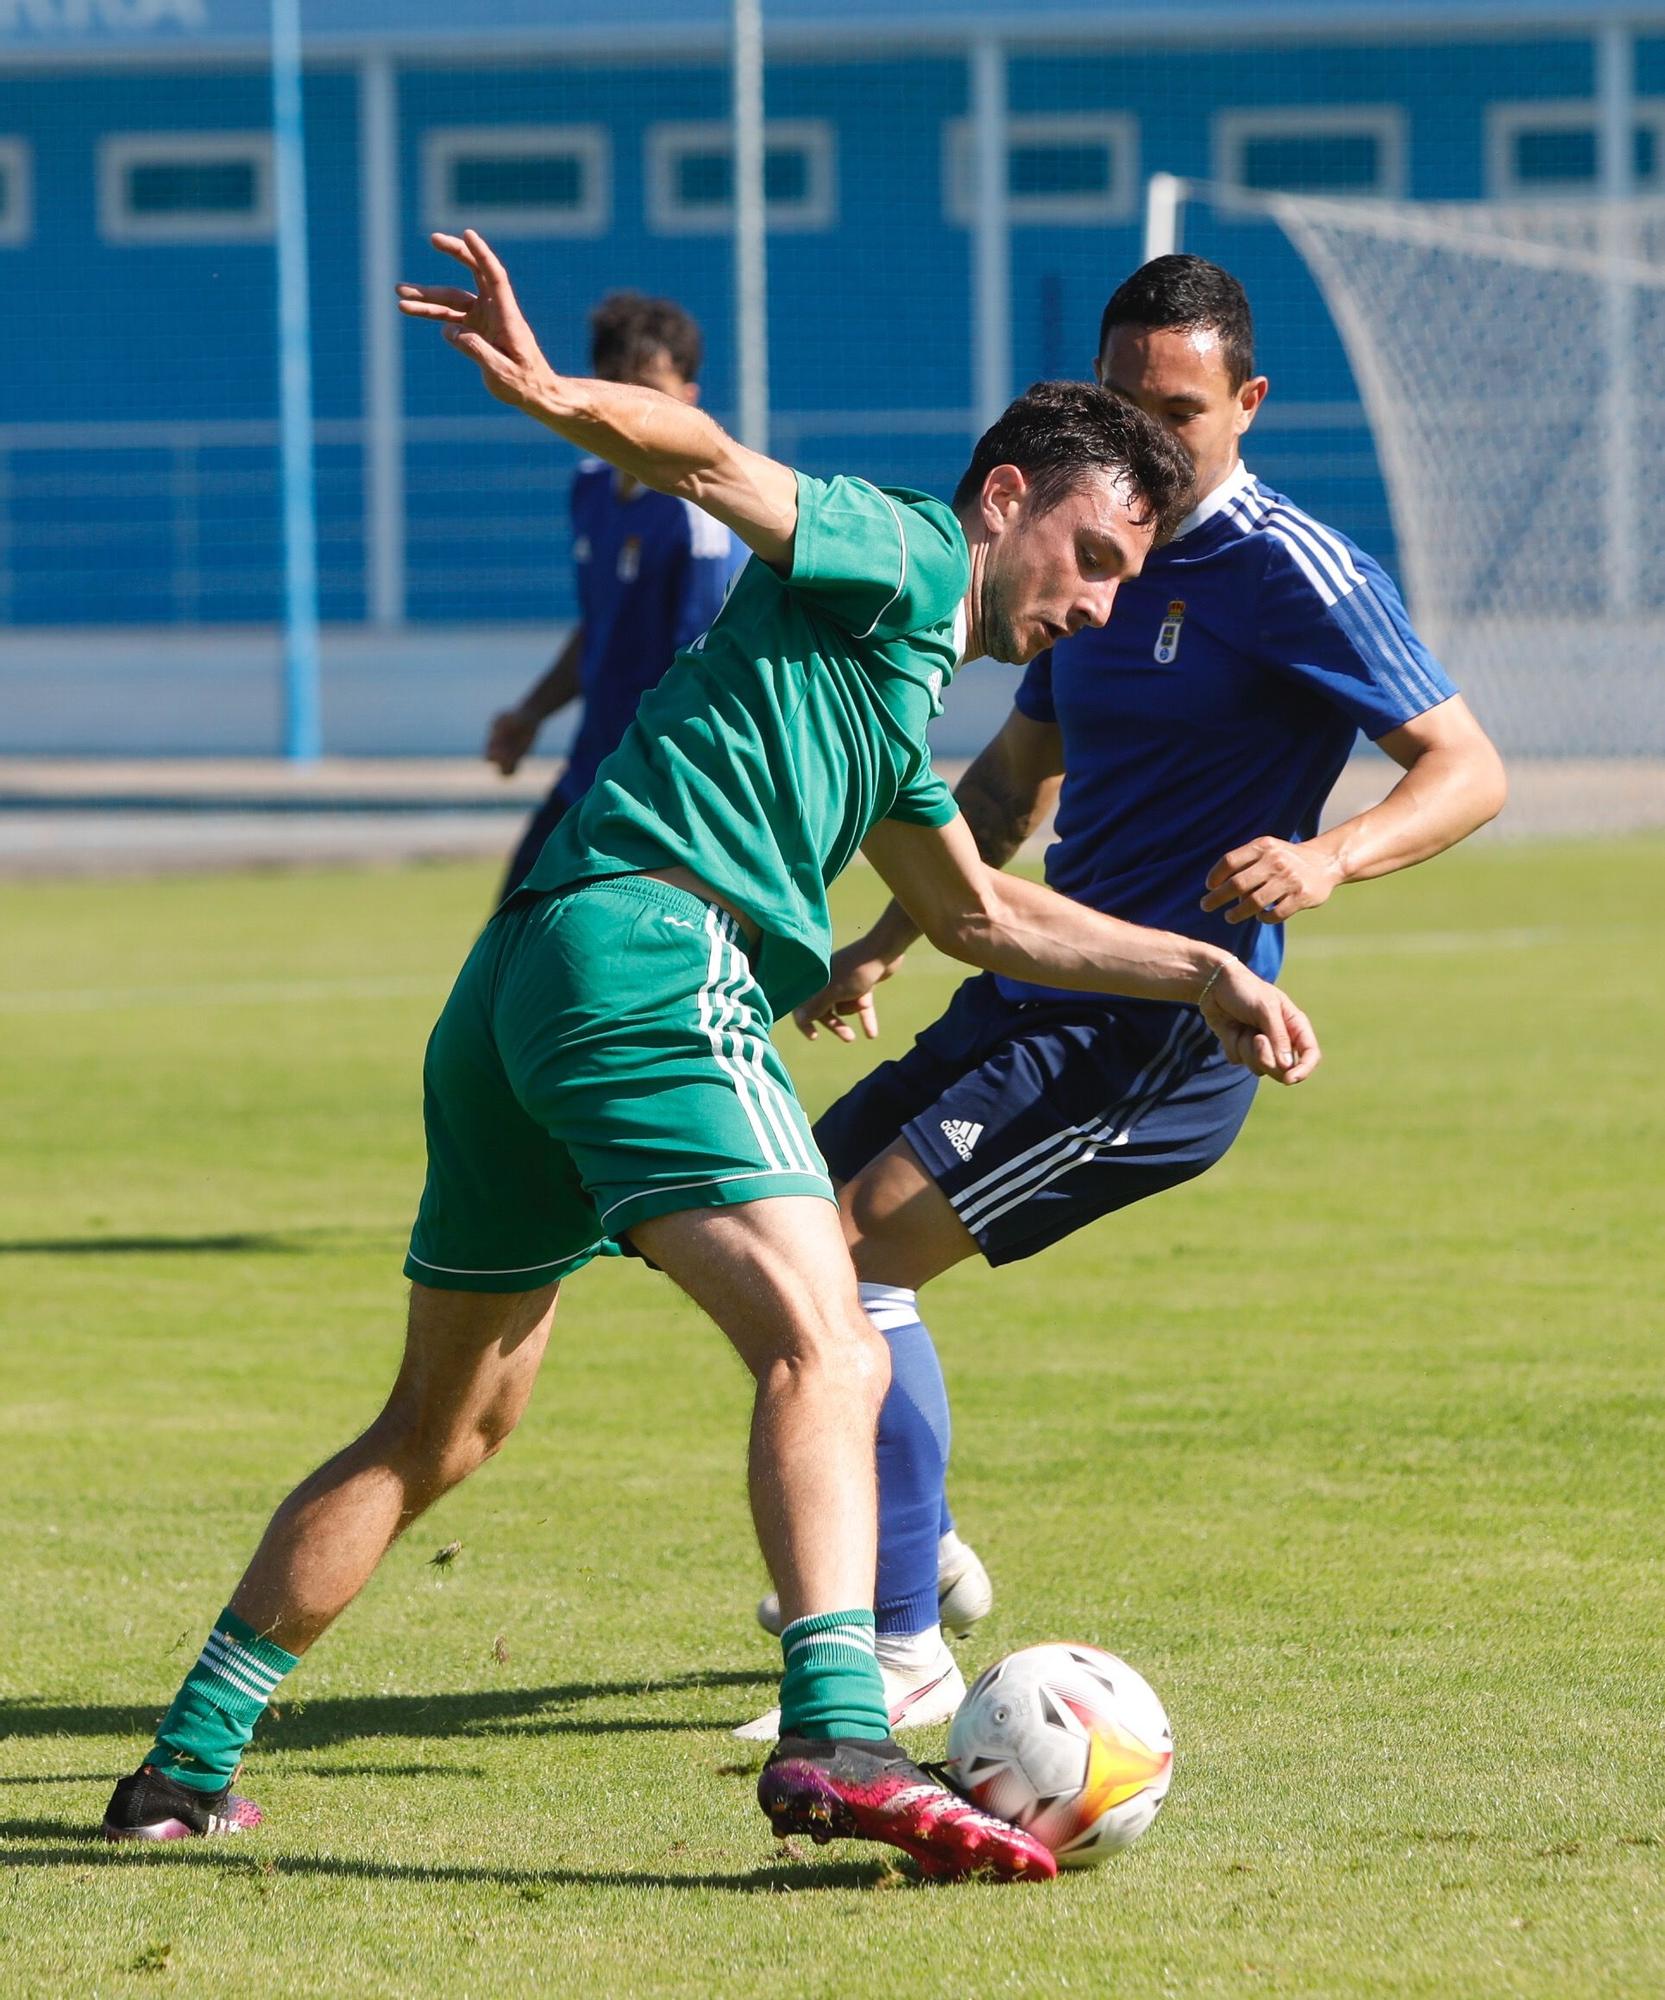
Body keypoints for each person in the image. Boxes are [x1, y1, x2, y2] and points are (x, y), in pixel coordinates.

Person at [99, 232, 1320, 1881]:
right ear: (1010, 498)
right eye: (1095, 558)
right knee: (833, 1334)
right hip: (647, 962)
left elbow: (980, 918)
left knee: (443, 1427)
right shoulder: (896, 550)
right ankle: (835, 1732)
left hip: (524, 987)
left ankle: (185, 1762)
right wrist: (553, 397)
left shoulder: (888, 695)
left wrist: (1198, 972)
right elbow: (718, 462)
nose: (1100, 605)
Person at [741, 253, 1505, 1743]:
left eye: (1182, 409)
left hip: (1160, 1030)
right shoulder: (1102, 547)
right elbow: (1015, 782)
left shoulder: (1296, 568)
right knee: (783, 1228)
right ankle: (915, 1529)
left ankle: (898, 1645)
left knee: (848, 1246)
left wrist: (1331, 856)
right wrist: (892, 936)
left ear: (1249, 402)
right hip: (1038, 976)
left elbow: (1467, 766)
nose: (1151, 436)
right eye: (1123, 403)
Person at [484, 291, 744, 900]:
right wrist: (530, 715)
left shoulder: (697, 518)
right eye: (618, 390)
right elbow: (603, 626)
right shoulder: (590, 488)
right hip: (587, 777)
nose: (634, 412)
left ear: (689, 400)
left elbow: (706, 678)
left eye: (651, 392)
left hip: (661, 803)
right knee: (507, 947)